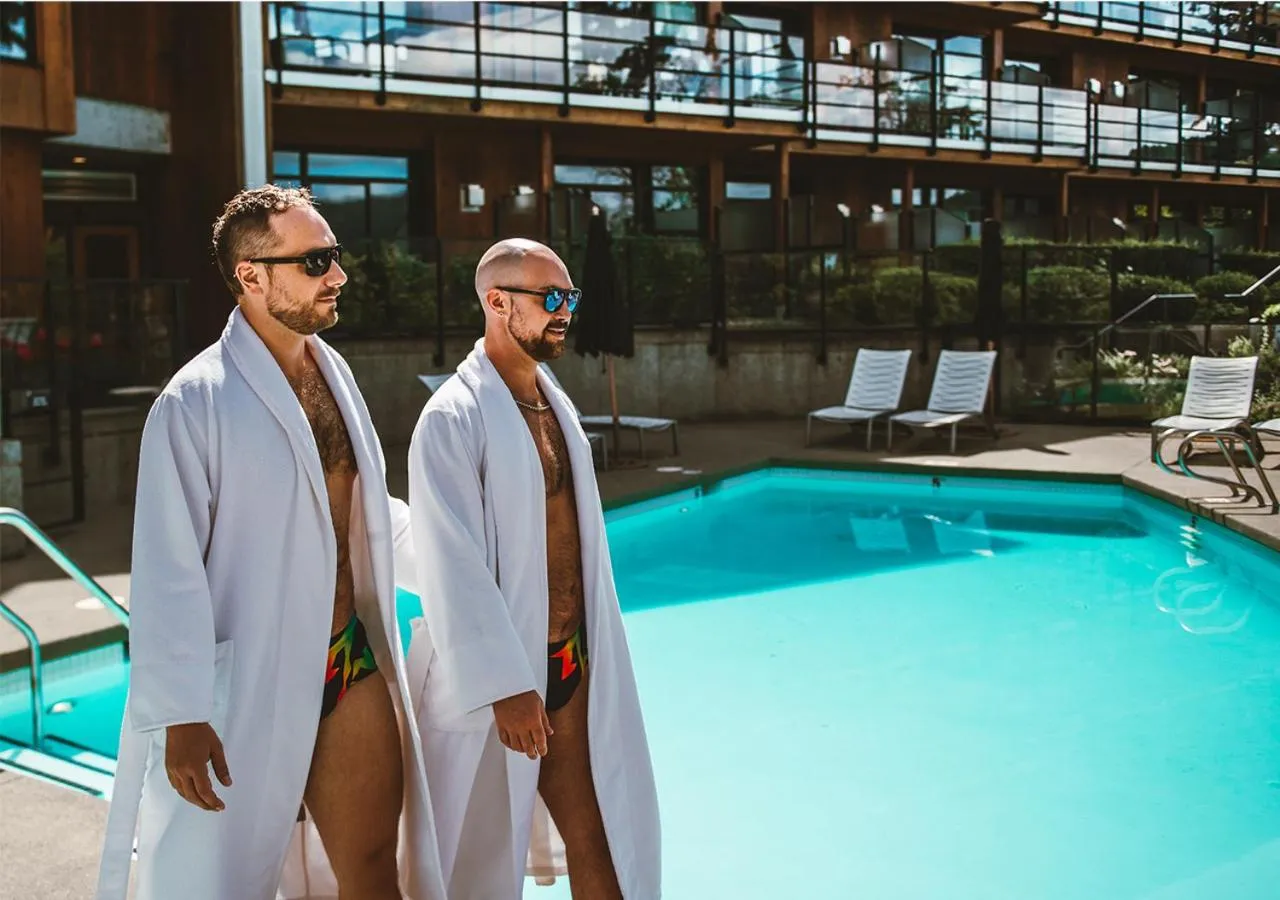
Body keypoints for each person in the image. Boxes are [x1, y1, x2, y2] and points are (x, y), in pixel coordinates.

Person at [94, 185, 445, 900]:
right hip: (245, 687)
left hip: (345, 659)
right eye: (316, 261)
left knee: (376, 867)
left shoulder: (331, 374)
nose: (338, 276)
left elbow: (362, 511)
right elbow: (167, 568)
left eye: (335, 257)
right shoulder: (193, 404)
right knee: (223, 884)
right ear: (252, 275)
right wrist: (184, 714)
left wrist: (463, 565)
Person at [405, 238, 661, 899]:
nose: (565, 312)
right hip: (509, 676)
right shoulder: (451, 420)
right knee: (479, 853)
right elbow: (448, 559)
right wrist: (505, 684)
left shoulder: (556, 407)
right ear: (496, 302)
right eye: (550, 298)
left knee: (596, 823)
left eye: (570, 297)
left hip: (569, 659)